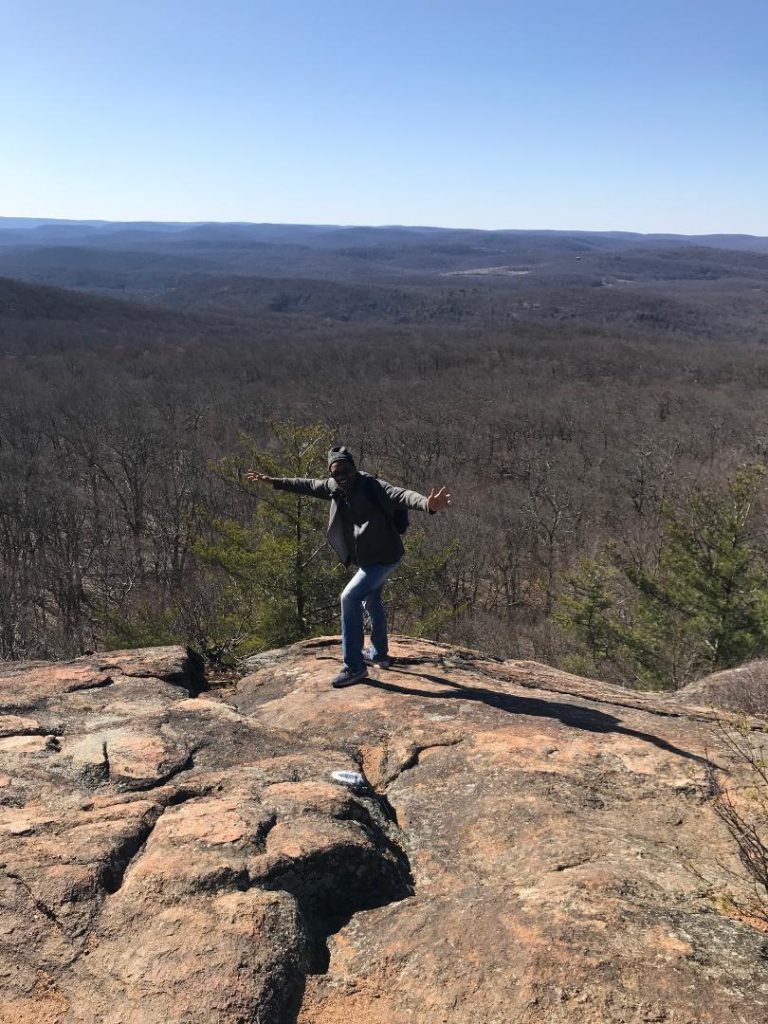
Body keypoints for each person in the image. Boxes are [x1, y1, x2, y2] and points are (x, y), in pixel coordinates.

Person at [245, 445, 451, 687]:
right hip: (368, 558)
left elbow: (401, 495)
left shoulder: (372, 486)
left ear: (354, 467)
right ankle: (379, 654)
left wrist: (428, 504)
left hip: (384, 556)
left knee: (349, 598)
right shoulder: (335, 487)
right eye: (335, 473)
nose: (341, 476)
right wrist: (273, 481)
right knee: (371, 601)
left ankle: (354, 667)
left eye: (345, 470)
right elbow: (307, 485)